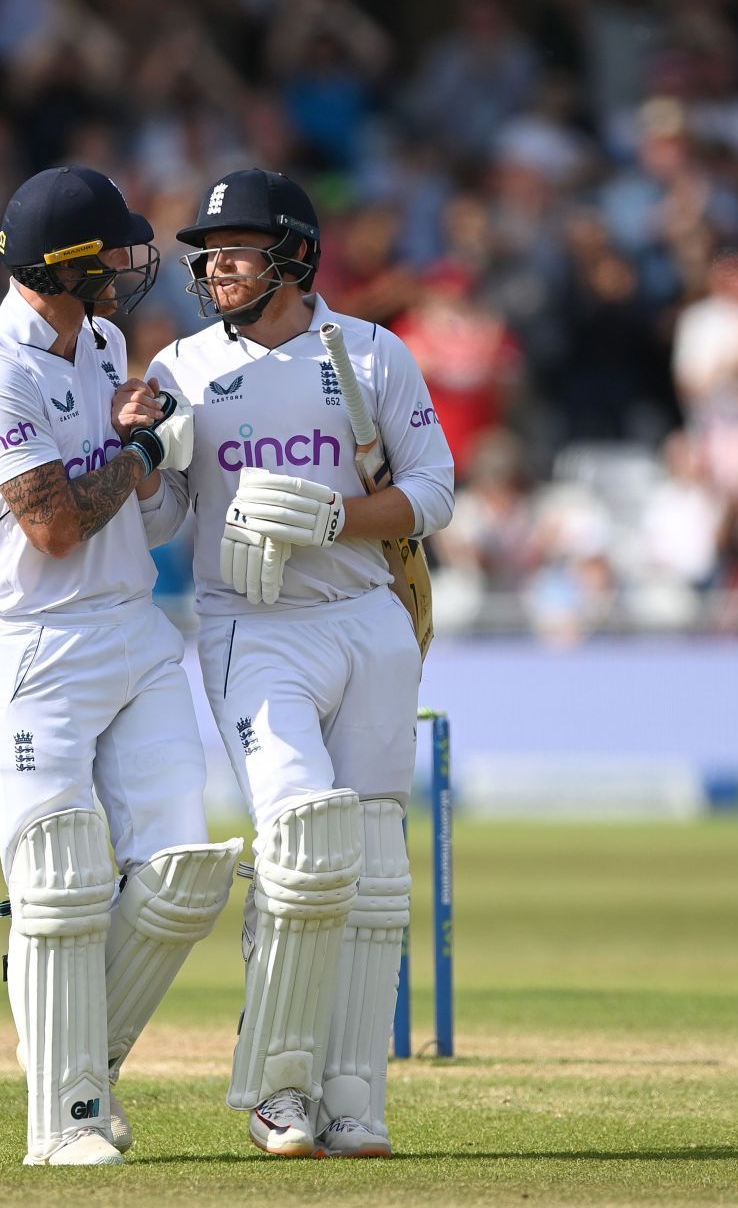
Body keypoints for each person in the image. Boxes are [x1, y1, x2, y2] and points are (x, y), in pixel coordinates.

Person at [142, 169, 455, 1157]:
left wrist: (336, 518)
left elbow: (435, 491)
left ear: (297, 257)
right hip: (252, 626)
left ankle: (355, 1095)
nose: (216, 264)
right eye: (209, 249)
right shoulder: (181, 368)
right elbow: (157, 521)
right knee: (301, 842)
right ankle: (280, 1090)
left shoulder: (370, 353)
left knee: (371, 871)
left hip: (368, 616)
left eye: (238, 246)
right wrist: (148, 453)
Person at [0, 165, 236, 1166]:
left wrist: (148, 460)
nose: (128, 265)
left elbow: (129, 512)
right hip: (39, 651)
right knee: (63, 887)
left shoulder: (105, 340)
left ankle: (80, 1065)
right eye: (109, 253)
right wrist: (144, 455)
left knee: (185, 877)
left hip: (135, 631)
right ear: (61, 268)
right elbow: (56, 526)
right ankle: (64, 1125)